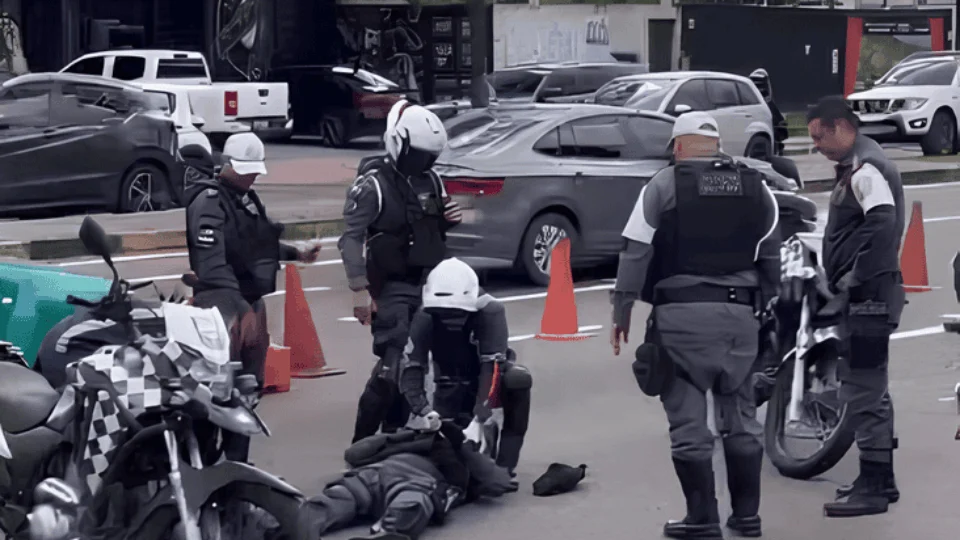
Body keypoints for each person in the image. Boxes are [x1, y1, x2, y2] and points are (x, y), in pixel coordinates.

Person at [610, 111, 780, 539]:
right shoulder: (755, 187)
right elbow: (771, 253)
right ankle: (747, 517)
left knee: (688, 423)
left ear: (679, 145)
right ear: (717, 144)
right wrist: (763, 307)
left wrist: (623, 309)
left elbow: (635, 251)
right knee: (741, 418)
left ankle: (701, 518)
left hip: (682, 318)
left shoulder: (664, 185)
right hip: (740, 317)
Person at [185, 133, 321, 461]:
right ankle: (200, 464)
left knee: (248, 389)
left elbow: (256, 243)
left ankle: (237, 467)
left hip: (249, 303)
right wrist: (239, 309)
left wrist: (295, 253)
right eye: (245, 170)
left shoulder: (246, 198)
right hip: (221, 307)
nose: (252, 176)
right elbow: (212, 263)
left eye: (255, 171)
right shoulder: (209, 202)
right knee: (219, 392)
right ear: (227, 165)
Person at [338, 100, 463, 443]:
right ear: (400, 143)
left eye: (430, 155)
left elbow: (431, 227)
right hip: (391, 287)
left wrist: (448, 220)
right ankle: (362, 442)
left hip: (430, 284)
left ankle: (393, 437)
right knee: (392, 368)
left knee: (417, 368)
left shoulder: (432, 180)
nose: (425, 162)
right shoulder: (374, 185)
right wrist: (360, 289)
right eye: (419, 154)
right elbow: (350, 238)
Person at [806, 96, 905, 518]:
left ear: (839, 127)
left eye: (817, 136)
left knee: (864, 389)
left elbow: (882, 222)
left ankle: (875, 486)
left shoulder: (866, 170)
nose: (815, 146)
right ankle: (879, 478)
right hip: (871, 295)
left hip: (868, 298)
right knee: (872, 388)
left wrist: (853, 278)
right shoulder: (859, 165)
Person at [397, 257, 532, 480]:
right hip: (449, 380)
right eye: (444, 315)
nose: (451, 319)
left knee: (518, 379)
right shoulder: (425, 316)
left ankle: (506, 461)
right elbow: (411, 367)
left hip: (487, 379)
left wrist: (482, 415)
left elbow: (493, 367)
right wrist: (422, 410)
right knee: (451, 459)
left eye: (458, 313)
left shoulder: (490, 311)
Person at [300, 422, 515, 540]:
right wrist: (410, 434)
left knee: (410, 504)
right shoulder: (413, 440)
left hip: (408, 481)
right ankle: (279, 523)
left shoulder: (468, 461)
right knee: (333, 501)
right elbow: (354, 454)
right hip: (383, 474)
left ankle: (385, 533)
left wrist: (462, 446)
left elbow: (497, 481)